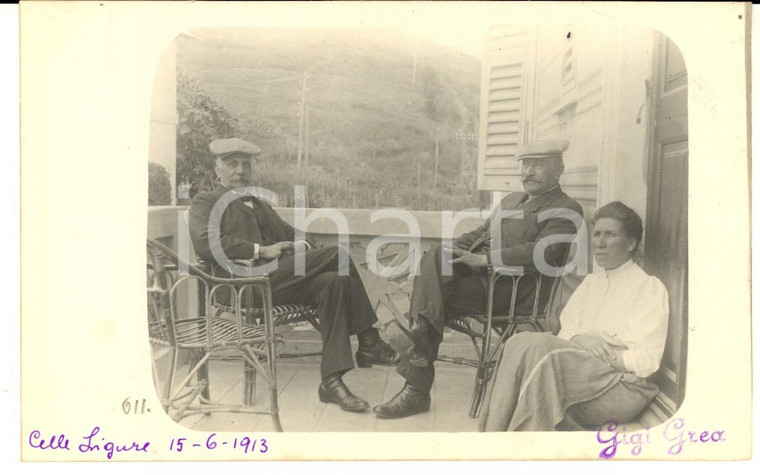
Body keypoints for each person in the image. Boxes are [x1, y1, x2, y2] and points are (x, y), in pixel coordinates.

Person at [373, 139, 584, 419]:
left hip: (515, 290)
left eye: (537, 166)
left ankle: (417, 374)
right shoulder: (511, 200)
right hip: (482, 283)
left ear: (559, 170)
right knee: (437, 260)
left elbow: (544, 250)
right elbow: (481, 234)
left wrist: (484, 260)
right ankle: (420, 339)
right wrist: (455, 250)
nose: (527, 173)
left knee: (430, 299)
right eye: (524, 165)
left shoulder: (565, 208)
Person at [189, 137, 399, 413]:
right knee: (336, 254)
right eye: (232, 164)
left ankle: (331, 382)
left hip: (275, 283)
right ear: (218, 169)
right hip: (240, 284)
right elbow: (205, 243)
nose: (240, 171)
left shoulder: (260, 205)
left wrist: (299, 245)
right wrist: (261, 250)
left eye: (245, 165)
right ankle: (369, 340)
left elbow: (296, 235)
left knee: (335, 282)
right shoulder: (206, 201)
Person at [478, 201, 669, 431]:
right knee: (519, 341)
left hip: (620, 387)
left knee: (545, 353)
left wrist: (599, 355)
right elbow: (567, 329)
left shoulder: (647, 287)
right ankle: (494, 438)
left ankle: (520, 446)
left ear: (631, 243)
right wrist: (581, 340)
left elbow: (647, 361)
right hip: (580, 375)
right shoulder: (592, 283)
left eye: (610, 235)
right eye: (597, 234)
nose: (600, 243)